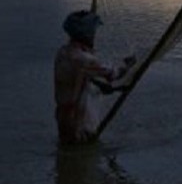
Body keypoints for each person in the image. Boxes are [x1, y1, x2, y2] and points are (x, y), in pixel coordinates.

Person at [54, 10, 135, 145]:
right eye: (93, 32)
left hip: (63, 121)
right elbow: (113, 74)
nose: (94, 35)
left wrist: (101, 86)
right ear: (87, 34)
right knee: (84, 159)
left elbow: (80, 77)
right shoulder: (85, 59)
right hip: (80, 125)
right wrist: (128, 65)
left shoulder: (62, 53)